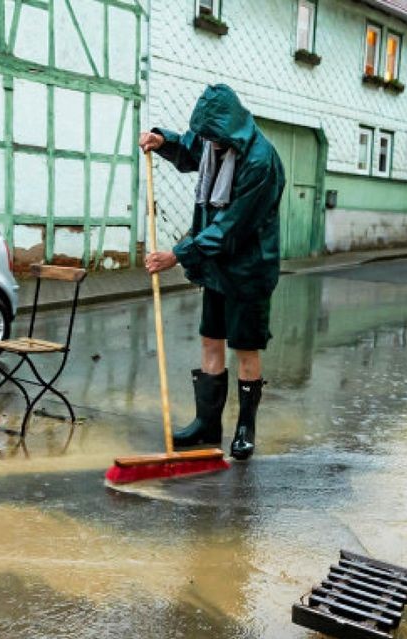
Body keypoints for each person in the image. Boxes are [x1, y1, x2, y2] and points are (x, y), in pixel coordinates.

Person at [138, 84, 285, 461]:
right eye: (206, 136)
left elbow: (230, 228)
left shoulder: (260, 162)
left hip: (249, 268)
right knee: (210, 340)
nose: (208, 144)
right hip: (217, 268)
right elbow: (189, 148)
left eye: (212, 137)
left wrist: (178, 254)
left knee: (245, 349)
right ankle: (207, 424)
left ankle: (244, 430)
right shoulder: (213, 143)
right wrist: (163, 140)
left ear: (230, 129)